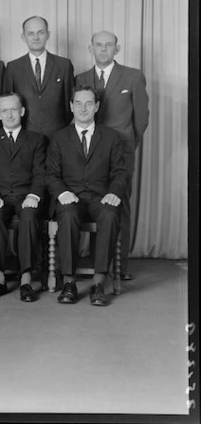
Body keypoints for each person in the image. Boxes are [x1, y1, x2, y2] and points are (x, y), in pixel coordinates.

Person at [74, 30, 149, 280]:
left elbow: (141, 119)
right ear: (90, 48)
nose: (103, 49)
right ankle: (97, 264)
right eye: (98, 45)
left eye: (109, 45)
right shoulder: (80, 78)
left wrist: (127, 146)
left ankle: (121, 266)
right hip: (88, 155)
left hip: (121, 153)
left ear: (117, 49)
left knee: (120, 206)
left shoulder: (133, 76)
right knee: (95, 205)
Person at [46, 84, 127, 306]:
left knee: (110, 215)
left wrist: (113, 193)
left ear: (97, 107)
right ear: (71, 106)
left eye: (89, 103)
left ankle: (98, 283)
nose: (83, 108)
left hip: (100, 197)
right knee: (68, 215)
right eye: (78, 103)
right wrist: (61, 192)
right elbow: (51, 173)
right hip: (70, 197)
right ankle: (69, 282)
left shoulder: (111, 137)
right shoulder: (59, 137)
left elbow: (120, 172)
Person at [0, 92, 47, 302]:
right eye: (4, 110)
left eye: (14, 110)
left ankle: (26, 279)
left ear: (22, 112)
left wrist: (34, 195)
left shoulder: (36, 139)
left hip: (26, 195)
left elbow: (40, 173)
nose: (10, 115)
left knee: (28, 217)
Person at [3, 16, 75, 138]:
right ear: (23, 37)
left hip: (58, 135)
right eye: (30, 33)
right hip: (25, 136)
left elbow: (70, 103)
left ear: (48, 34)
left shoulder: (63, 65)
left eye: (40, 32)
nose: (36, 37)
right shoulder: (13, 68)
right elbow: (8, 104)